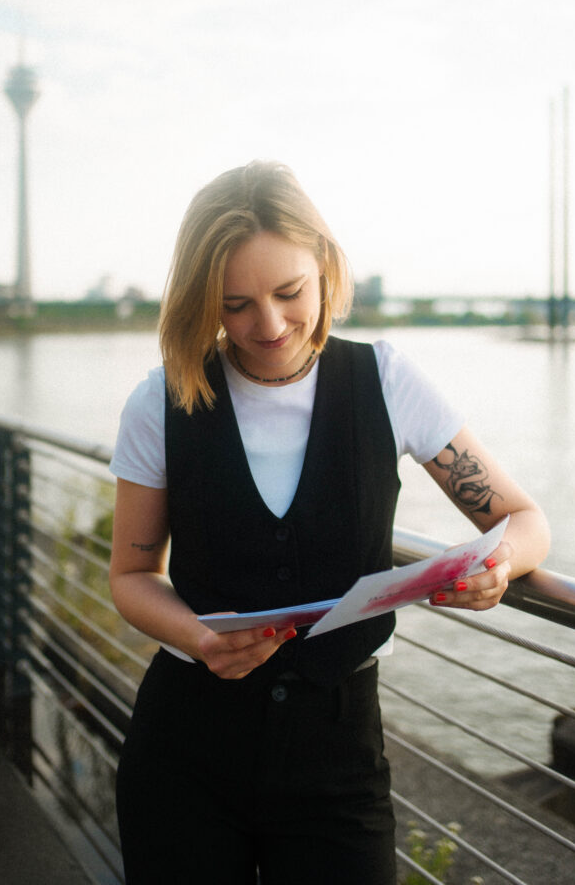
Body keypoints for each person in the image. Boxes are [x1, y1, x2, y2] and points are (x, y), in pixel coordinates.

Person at [108, 160, 550, 885]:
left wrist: (499, 564)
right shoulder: (160, 401)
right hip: (185, 752)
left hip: (336, 757)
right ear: (202, 300)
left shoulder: (385, 380)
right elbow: (130, 576)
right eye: (236, 303)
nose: (269, 325)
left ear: (326, 268)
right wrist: (198, 638)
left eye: (289, 293)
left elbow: (522, 519)